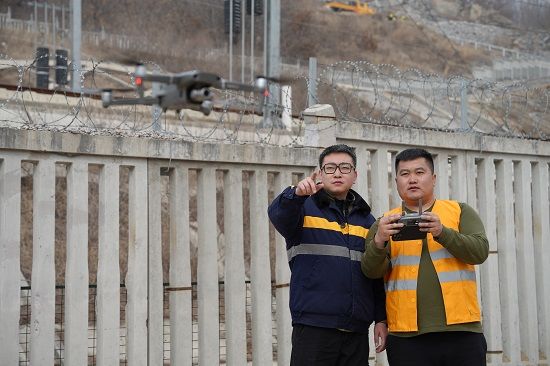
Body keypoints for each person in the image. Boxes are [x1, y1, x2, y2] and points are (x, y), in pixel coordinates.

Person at [361, 148, 489, 366]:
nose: (412, 179)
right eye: (405, 174)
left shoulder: (459, 212)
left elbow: (479, 252)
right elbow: (371, 271)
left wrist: (443, 232)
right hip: (406, 336)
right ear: (396, 181)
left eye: (419, 172)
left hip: (462, 331)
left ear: (434, 178)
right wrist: (379, 240)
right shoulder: (385, 223)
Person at [268, 144, 388, 366]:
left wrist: (381, 317)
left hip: (356, 330)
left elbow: (375, 274)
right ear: (320, 173)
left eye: (345, 167)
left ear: (355, 175)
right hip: (314, 327)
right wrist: (295, 194)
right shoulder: (303, 209)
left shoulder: (367, 220)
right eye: (330, 167)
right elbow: (278, 215)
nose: (338, 173)